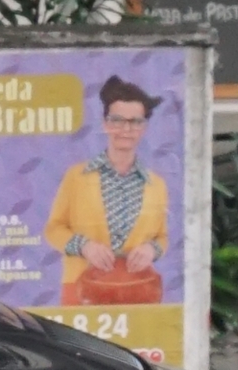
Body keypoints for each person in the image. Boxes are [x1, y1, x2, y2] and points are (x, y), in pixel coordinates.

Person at [43, 76, 169, 301]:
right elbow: (54, 229)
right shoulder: (76, 177)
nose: (125, 129)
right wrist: (85, 246)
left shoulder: (156, 184)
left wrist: (153, 250)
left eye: (135, 121)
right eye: (117, 120)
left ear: (144, 127)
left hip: (139, 290)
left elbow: (162, 237)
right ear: (105, 124)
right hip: (82, 289)